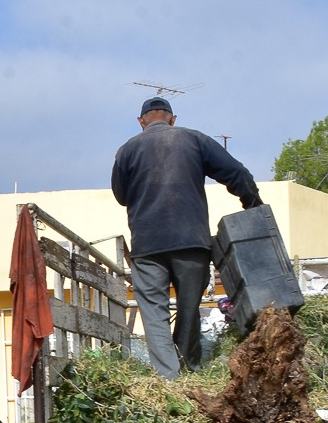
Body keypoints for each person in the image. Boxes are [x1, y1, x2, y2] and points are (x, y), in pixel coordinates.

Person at [111, 95, 264, 379]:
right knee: (189, 308)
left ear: (141, 122)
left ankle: (169, 379)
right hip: (191, 242)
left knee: (154, 313)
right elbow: (235, 172)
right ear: (173, 118)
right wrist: (252, 202)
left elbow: (121, 196)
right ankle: (189, 367)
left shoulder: (127, 150)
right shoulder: (194, 139)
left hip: (148, 246)